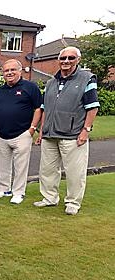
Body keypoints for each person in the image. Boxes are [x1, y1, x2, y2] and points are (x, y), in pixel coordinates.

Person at [34, 46, 100, 215]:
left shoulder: (87, 79)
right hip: (49, 133)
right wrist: (42, 130)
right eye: (63, 58)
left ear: (78, 60)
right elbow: (44, 108)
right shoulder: (51, 82)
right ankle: (49, 198)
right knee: (47, 170)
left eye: (71, 58)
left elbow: (92, 108)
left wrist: (86, 130)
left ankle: (73, 202)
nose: (66, 61)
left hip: (73, 134)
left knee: (75, 172)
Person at [0, 59, 42, 204]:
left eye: (13, 70)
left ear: (20, 71)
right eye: (6, 71)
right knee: (2, 164)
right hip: (1, 135)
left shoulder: (30, 87)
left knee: (21, 165)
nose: (9, 73)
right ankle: (3, 189)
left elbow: (38, 108)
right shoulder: (0, 91)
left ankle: (18, 192)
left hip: (22, 134)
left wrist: (32, 128)